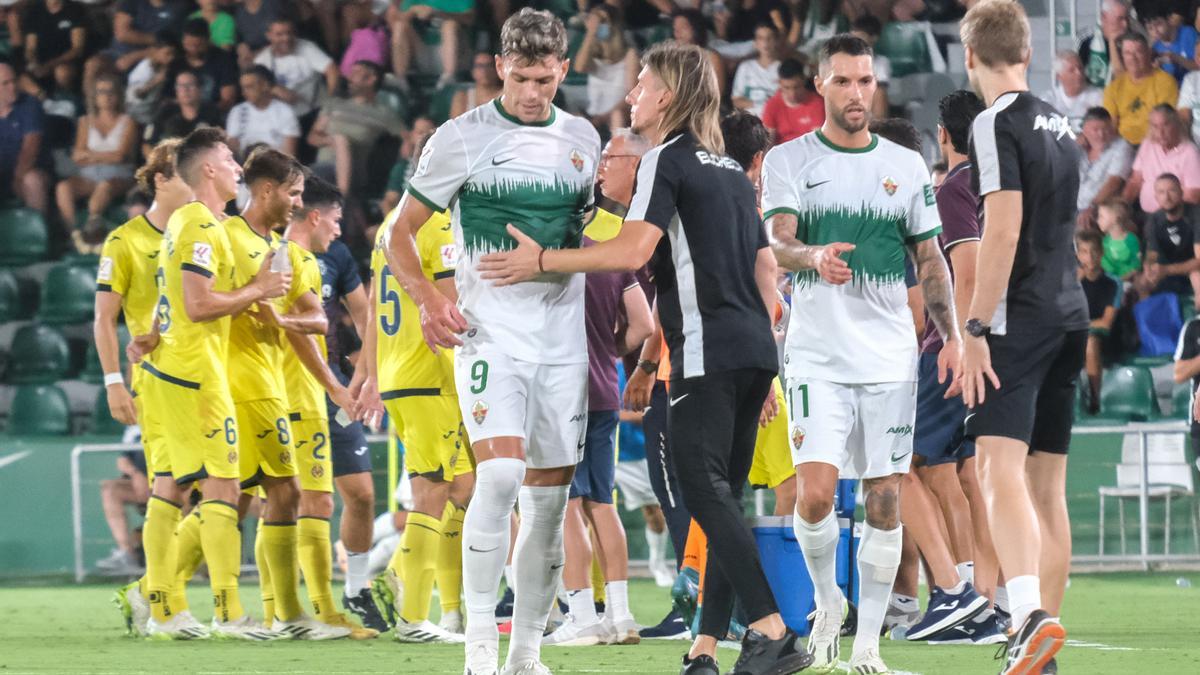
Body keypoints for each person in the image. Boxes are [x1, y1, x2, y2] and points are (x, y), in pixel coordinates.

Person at [479, 40, 811, 675]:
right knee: (723, 500)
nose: (631, 94)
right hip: (753, 352)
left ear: (667, 96)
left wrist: (542, 260)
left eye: (640, 83)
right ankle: (705, 648)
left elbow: (631, 251)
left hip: (708, 351)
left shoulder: (668, 160)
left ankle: (771, 629)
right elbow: (763, 269)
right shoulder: (732, 173)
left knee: (701, 493)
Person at [378, 10, 600, 672]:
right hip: (490, 334)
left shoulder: (583, 137)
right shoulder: (461, 137)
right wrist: (426, 298)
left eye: (545, 77)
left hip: (562, 342)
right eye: (522, 76)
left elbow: (587, 230)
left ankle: (524, 653)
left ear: (563, 68)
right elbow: (398, 232)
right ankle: (479, 647)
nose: (534, 91)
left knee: (550, 501)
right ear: (500, 65)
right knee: (499, 474)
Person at [762, 33, 965, 672]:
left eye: (866, 81)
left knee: (883, 498)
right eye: (844, 81)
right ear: (821, 85)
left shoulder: (904, 166)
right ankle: (828, 602)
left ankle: (870, 644)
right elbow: (780, 239)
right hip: (817, 354)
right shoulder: (789, 160)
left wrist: (954, 336)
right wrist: (813, 257)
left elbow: (930, 258)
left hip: (888, 359)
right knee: (816, 496)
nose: (857, 93)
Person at [958, 2, 1089, 672]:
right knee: (1047, 487)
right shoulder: (1063, 125)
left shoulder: (993, 122)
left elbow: (1002, 228)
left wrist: (974, 326)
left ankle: (1027, 615)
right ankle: (1044, 645)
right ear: (1028, 51)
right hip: (1071, 313)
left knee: (994, 466)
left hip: (1021, 315)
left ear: (970, 56)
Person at [128, 127, 289, 640]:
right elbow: (198, 305)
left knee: (169, 485)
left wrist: (152, 332)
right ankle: (227, 612)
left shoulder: (186, 222)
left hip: (171, 367)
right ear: (209, 171)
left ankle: (164, 609)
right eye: (229, 157)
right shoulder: (200, 224)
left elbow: (173, 294)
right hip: (197, 374)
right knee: (222, 484)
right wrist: (258, 288)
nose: (239, 165)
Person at [223, 147, 350, 641]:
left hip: (271, 389)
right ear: (265, 190)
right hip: (235, 386)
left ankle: (284, 613)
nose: (297, 203)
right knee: (245, 495)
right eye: (293, 193)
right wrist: (252, 295)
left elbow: (317, 319)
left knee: (267, 495)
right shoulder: (224, 236)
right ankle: (261, 612)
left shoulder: (284, 252)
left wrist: (281, 317)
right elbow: (196, 302)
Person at [252, 172, 377, 640]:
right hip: (281, 392)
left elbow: (354, 316)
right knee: (276, 498)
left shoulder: (329, 257)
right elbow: (299, 330)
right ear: (315, 215)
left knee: (345, 496)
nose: (342, 231)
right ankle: (279, 610)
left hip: (323, 391)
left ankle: (328, 605)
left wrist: (368, 376)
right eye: (337, 221)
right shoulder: (274, 256)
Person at [543, 129, 654, 648]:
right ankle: (623, 616)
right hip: (604, 385)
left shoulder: (551, 253)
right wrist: (609, 352)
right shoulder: (613, 249)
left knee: (564, 502)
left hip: (561, 390)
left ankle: (583, 616)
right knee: (601, 501)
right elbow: (644, 327)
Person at [907, 91, 1008, 645]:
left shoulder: (952, 188)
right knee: (970, 475)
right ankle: (987, 599)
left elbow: (962, 271)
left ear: (944, 134)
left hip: (953, 346)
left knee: (907, 465)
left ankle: (960, 596)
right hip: (1002, 339)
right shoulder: (999, 188)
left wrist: (962, 340)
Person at [101, 140, 193, 636]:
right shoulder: (125, 240)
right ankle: (161, 600)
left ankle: (153, 589)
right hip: (158, 379)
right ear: (159, 179)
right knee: (178, 486)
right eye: (186, 174)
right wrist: (115, 381)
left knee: (232, 491)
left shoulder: (204, 230)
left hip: (209, 375)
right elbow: (103, 319)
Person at [722, 110, 797, 517]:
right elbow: (760, 300)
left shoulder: (709, 207)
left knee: (723, 486)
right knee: (794, 485)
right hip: (756, 366)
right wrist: (764, 377)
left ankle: (709, 575)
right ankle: (787, 581)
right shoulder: (749, 212)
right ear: (759, 160)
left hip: (716, 365)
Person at [55, 73, 139, 252]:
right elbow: (77, 156)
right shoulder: (85, 121)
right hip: (89, 175)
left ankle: (93, 229)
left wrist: (90, 155)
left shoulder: (128, 122)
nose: (107, 96)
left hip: (119, 174)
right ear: (95, 96)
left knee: (104, 187)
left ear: (118, 95)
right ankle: (74, 235)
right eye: (101, 92)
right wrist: (104, 156)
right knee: (63, 187)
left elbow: (120, 157)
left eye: (111, 92)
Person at [308, 60, 405, 198]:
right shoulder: (334, 104)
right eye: (351, 72)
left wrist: (405, 153)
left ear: (371, 79)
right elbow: (312, 137)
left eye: (357, 73)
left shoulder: (384, 113)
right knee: (339, 142)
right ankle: (343, 199)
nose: (350, 77)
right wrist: (333, 141)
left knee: (340, 141)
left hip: (355, 171)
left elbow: (406, 136)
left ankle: (343, 197)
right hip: (323, 166)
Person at [254, 18, 340, 121]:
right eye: (279, 34)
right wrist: (273, 89)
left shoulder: (307, 47)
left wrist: (330, 103)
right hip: (280, 118)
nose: (286, 38)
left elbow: (332, 70)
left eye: (289, 33)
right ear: (269, 36)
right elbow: (253, 89)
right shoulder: (262, 60)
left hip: (313, 111)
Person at [1122, 104, 1200, 214]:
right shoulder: (1148, 144)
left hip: (1174, 217)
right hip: (1143, 213)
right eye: (1155, 126)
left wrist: (1163, 217)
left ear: (1176, 124)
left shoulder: (1190, 152)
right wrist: (1123, 205)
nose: (1160, 132)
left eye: (1166, 125)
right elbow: (1135, 181)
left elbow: (1193, 195)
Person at [1104, 32, 1179, 145]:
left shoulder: (1165, 82)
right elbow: (1110, 126)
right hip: (1122, 145)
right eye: (1128, 53)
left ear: (1148, 53)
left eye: (1138, 52)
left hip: (1155, 143)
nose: (1133, 58)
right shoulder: (1114, 87)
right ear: (1122, 56)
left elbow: (1164, 123)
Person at [574, 3, 638, 130]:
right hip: (593, 113)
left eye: (602, 21)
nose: (597, 25)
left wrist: (603, 117)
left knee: (616, 116)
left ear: (613, 25)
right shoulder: (592, 54)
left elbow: (632, 95)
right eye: (594, 21)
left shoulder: (630, 54)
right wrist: (590, 33)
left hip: (619, 114)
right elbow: (579, 68)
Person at [1076, 229, 1120, 415]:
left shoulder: (1113, 283)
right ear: (1078, 255)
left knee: (1091, 342)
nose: (1090, 256)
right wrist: (1074, 284)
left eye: (1094, 251)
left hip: (1105, 340)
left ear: (1101, 253)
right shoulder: (1071, 283)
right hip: (1074, 334)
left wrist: (1079, 325)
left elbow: (1105, 323)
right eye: (1085, 251)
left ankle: (1095, 399)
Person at [0, 61, 50, 218]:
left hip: (28, 171)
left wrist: (18, 176)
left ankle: (38, 235)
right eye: (5, 83)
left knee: (32, 180)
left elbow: (31, 147)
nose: (12, 87)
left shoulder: (29, 104)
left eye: (14, 81)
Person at [387, 0, 471, 87]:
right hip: (421, 51)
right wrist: (411, 11)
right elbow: (394, 20)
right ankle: (400, 79)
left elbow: (469, 18)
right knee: (400, 26)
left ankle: (448, 78)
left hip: (453, 55)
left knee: (450, 25)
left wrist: (438, 13)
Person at [1142, 173, 1200, 298]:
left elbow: (1199, 260)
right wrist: (1148, 268)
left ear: (1181, 192)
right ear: (1156, 197)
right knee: (1142, 283)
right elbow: (1152, 252)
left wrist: (1167, 270)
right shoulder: (1154, 220)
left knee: (1197, 278)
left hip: (1193, 270)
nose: (1166, 197)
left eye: (1172, 191)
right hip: (1169, 270)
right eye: (1161, 192)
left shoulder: (1196, 214)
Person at [141, 69, 222, 158]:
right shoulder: (165, 112)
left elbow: (220, 146)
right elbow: (146, 145)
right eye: (180, 86)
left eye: (190, 85)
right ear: (176, 91)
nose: (185, 90)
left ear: (200, 89)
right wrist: (160, 165)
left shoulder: (211, 113)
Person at [225, 65, 301, 158]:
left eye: (249, 87)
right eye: (243, 88)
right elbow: (231, 149)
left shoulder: (285, 112)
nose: (244, 93)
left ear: (265, 85)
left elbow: (289, 155)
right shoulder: (237, 111)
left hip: (275, 166)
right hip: (243, 165)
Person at [1076, 107, 1133, 228]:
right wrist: (1073, 147)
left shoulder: (1121, 147)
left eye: (1106, 129)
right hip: (1071, 208)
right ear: (1084, 130)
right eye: (1095, 130)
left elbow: (1115, 182)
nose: (1101, 134)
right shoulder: (1077, 148)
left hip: (1099, 210)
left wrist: (1092, 206)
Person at [97, 450, 151, 575]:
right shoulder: (133, 432)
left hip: (176, 482)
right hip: (142, 487)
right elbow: (123, 459)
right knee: (110, 489)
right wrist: (136, 474)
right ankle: (127, 554)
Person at [171, 17, 238, 113]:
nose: (193, 49)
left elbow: (227, 99)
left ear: (208, 40)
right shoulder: (177, 64)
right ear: (183, 41)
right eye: (189, 45)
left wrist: (204, 115)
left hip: (215, 116)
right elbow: (167, 99)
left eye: (198, 45)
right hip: (183, 116)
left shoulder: (223, 60)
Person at [20, 0, 87, 92]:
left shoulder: (75, 9)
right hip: (41, 61)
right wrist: (33, 63)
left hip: (67, 61)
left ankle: (67, 100)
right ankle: (46, 102)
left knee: (62, 71)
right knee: (20, 77)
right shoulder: (34, 12)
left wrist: (50, 65)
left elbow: (77, 49)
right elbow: (31, 48)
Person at [761, 58, 824, 144]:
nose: (792, 94)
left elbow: (818, 141)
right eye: (787, 88)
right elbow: (768, 142)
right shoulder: (772, 105)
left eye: (796, 87)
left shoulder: (817, 103)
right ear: (779, 83)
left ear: (804, 81)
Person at [731, 23, 782, 117]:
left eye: (769, 38)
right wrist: (760, 105)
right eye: (761, 38)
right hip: (749, 120)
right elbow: (736, 101)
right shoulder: (745, 67)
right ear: (755, 43)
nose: (765, 43)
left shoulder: (782, 69)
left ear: (776, 41)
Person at [670, 9, 726, 96]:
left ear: (695, 29)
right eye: (675, 29)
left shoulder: (712, 58)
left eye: (683, 27)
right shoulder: (672, 58)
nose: (678, 32)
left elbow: (717, 93)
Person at [1045, 51, 1103, 133]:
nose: (1079, 73)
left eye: (1080, 68)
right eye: (1072, 70)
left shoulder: (1098, 96)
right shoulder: (1048, 99)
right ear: (1059, 76)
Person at [1079, 0, 1131, 87]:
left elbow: (1122, 79)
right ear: (1103, 17)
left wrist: (1112, 43)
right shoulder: (1086, 40)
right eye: (1120, 19)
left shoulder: (1133, 40)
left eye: (1126, 19)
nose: (1125, 24)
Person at [1146, 7, 1197, 84]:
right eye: (1150, 28)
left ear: (1169, 19)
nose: (1155, 31)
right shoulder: (1155, 49)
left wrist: (1176, 58)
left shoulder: (1188, 33)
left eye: (1158, 24)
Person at [1096, 198, 1141, 281]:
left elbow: (1137, 265)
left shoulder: (1131, 240)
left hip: (1128, 281)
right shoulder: (1105, 241)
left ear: (1116, 219)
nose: (1098, 220)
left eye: (1101, 217)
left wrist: (1120, 280)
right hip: (1110, 281)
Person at [450, 51, 503, 119]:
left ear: (498, 69)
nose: (484, 71)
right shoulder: (462, 97)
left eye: (489, 65)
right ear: (472, 71)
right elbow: (454, 125)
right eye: (479, 66)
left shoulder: (506, 95)